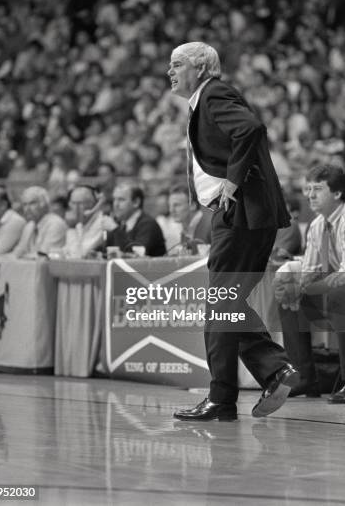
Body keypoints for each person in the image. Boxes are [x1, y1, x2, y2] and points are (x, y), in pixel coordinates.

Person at [168, 42, 298, 421]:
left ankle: (225, 397)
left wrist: (233, 182)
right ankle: (272, 371)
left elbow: (251, 128)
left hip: (239, 213)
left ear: (201, 68)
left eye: (177, 65)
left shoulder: (213, 93)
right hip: (244, 215)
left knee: (220, 306)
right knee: (225, 305)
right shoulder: (204, 101)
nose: (170, 72)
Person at [275, 165, 345, 402]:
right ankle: (305, 378)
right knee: (289, 298)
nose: (310, 195)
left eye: (318, 189)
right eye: (308, 189)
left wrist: (310, 285)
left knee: (341, 294)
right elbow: (310, 274)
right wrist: (297, 288)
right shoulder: (317, 225)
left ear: (337, 194)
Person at [102, 182, 166, 257]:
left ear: (136, 202)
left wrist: (115, 230)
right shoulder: (118, 223)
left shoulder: (148, 224)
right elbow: (108, 252)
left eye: (121, 200)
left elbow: (137, 255)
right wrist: (99, 254)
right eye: (114, 199)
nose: (115, 204)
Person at [12, 186, 67, 258]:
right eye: (25, 204)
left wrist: (21, 256)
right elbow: (17, 252)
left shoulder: (56, 224)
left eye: (32, 203)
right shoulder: (29, 226)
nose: (27, 209)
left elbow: (43, 256)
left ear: (44, 204)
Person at [63, 185, 107, 258]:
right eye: (73, 203)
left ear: (93, 205)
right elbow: (66, 253)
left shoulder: (102, 224)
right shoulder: (79, 224)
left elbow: (78, 256)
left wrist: (72, 228)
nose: (75, 208)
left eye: (80, 203)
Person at [168, 183, 211, 254]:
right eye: (170, 205)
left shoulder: (210, 226)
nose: (171, 210)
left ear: (193, 206)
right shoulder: (185, 230)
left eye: (177, 205)